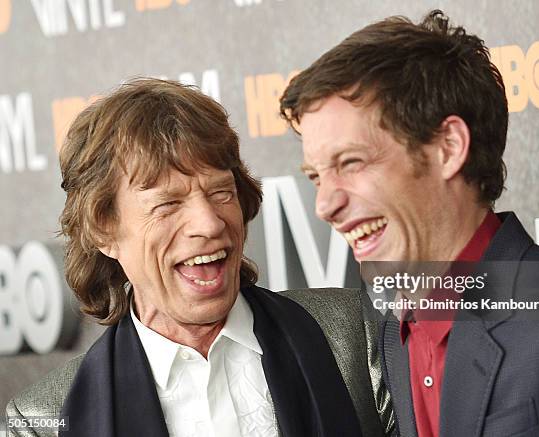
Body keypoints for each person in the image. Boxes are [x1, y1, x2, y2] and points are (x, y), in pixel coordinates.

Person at [280, 10, 539, 437]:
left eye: (351, 162)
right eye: (316, 177)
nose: (324, 204)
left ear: (448, 148)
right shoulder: (393, 329)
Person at [5, 78, 392, 437]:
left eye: (221, 192)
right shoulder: (42, 421)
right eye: (168, 204)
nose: (209, 223)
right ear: (104, 230)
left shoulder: (356, 335)